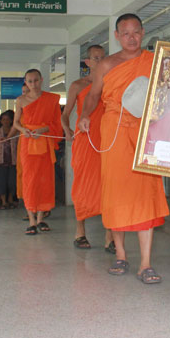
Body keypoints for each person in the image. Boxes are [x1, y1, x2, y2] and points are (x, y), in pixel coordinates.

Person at [80, 13, 170, 284]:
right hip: (114, 130)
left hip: (146, 130)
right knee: (116, 190)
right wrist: (85, 114)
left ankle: (145, 263)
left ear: (143, 33)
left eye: (136, 32)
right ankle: (120, 254)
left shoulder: (155, 61)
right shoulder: (106, 65)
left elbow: (166, 93)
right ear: (117, 36)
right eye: (125, 33)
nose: (131, 38)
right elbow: (94, 95)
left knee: (146, 192)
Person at [61, 44, 111, 250]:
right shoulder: (77, 85)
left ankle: (110, 237)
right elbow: (65, 115)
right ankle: (80, 230)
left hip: (106, 141)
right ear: (88, 62)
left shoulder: (110, 84)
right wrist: (66, 130)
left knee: (108, 186)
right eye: (95, 58)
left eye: (102, 58)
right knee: (82, 183)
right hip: (85, 140)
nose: (98, 61)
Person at [14, 69, 62, 235]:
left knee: (44, 179)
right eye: (29, 81)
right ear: (25, 82)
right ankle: (31, 220)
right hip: (28, 143)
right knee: (29, 179)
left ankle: (41, 218)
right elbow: (16, 124)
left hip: (44, 141)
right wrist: (24, 130)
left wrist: (44, 129)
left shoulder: (51, 99)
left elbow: (57, 122)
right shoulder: (20, 100)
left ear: (41, 80)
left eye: (35, 80)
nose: (33, 84)